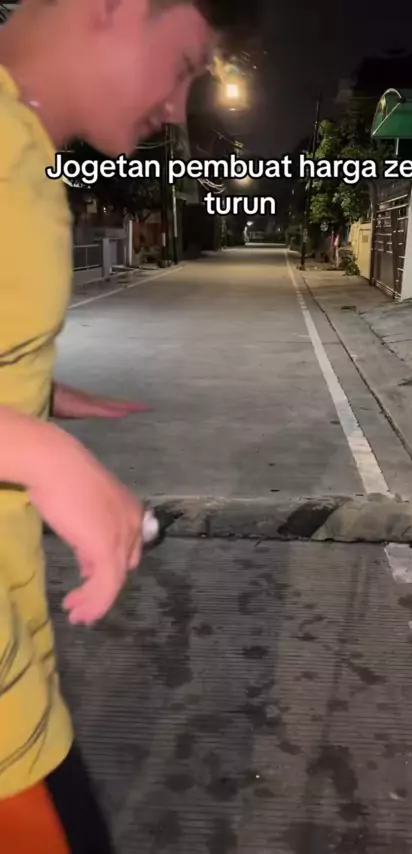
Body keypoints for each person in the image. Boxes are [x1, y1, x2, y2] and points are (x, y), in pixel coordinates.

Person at [0, 0, 258, 851]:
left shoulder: (27, 147)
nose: (178, 109)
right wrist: (38, 451)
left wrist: (38, 396)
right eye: (181, 67)